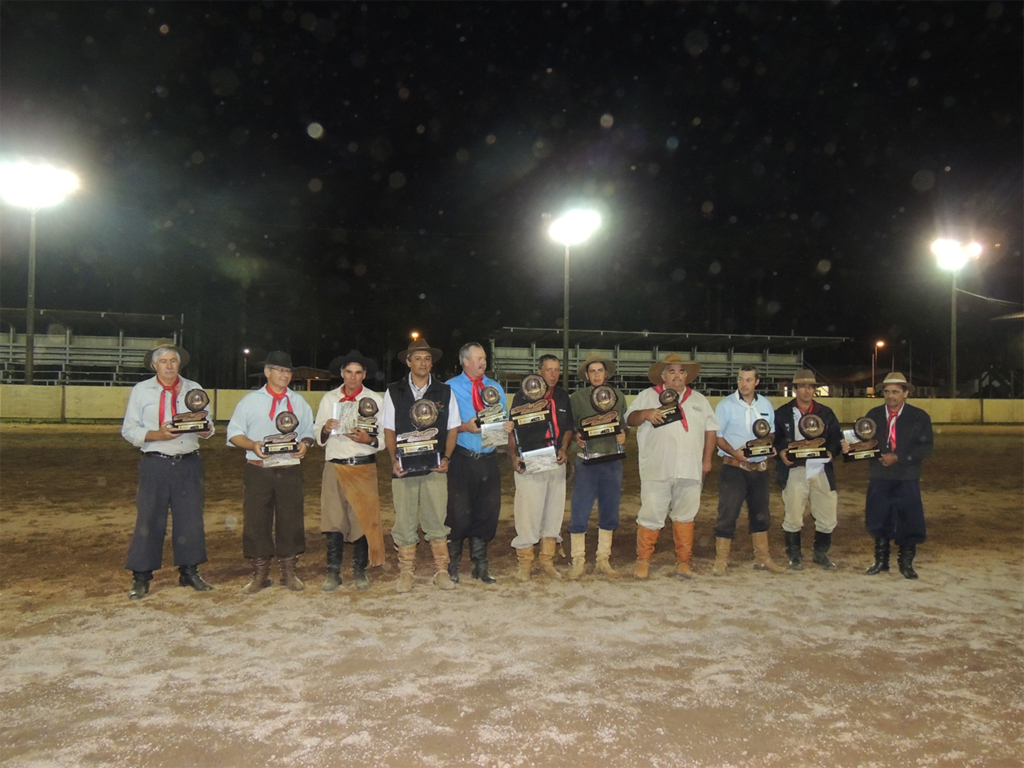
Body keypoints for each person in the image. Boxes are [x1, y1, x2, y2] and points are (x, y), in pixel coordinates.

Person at [121, 340, 215, 600]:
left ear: (179, 364)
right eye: (163, 361)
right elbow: (129, 430)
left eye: (173, 361)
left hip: (189, 461)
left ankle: (189, 571)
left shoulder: (194, 389)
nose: (169, 365)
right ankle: (141, 576)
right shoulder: (141, 391)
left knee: (191, 519)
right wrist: (157, 435)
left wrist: (206, 429)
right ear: (154, 365)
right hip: (155, 462)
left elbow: (208, 425)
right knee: (149, 519)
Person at [226, 351, 315, 593]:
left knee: (291, 520)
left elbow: (309, 431)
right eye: (279, 370)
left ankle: (288, 572)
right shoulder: (250, 401)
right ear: (267, 372)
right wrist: (252, 445)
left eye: (288, 371)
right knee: (256, 521)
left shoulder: (298, 402)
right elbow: (233, 434)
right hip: (258, 469)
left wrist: (306, 444)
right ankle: (260, 574)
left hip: (289, 469)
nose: (285, 375)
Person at [625, 354, 718, 579]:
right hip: (657, 468)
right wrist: (646, 414)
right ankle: (643, 560)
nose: (677, 375)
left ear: (687, 375)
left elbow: (710, 431)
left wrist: (707, 460)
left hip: (690, 468)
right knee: (650, 514)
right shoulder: (648, 396)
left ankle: (684, 561)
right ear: (663, 375)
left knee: (686, 515)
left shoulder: (699, 400)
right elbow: (629, 419)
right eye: (672, 371)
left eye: (681, 371)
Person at [381, 337, 461, 593]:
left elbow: (452, 429)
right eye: (417, 358)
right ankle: (406, 572)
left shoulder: (445, 392)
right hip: (404, 467)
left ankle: (441, 570)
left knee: (437, 518)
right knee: (404, 520)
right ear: (408, 362)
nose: (423, 363)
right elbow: (390, 430)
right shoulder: (394, 391)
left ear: (432, 363)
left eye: (427, 358)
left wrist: (446, 458)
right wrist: (393, 460)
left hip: (435, 466)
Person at [842, 372, 933, 579]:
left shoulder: (919, 417)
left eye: (895, 391)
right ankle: (881, 561)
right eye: (887, 391)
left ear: (905, 393)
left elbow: (925, 447)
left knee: (909, 518)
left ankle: (906, 563)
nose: (891, 396)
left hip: (906, 476)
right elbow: (863, 441)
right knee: (879, 517)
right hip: (879, 475)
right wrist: (850, 448)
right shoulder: (873, 415)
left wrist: (899, 457)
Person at [313, 350, 386, 592]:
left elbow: (385, 437)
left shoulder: (376, 400)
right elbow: (317, 432)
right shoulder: (329, 399)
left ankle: (359, 571)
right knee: (333, 520)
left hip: (363, 465)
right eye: (348, 372)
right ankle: (333, 572)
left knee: (363, 521)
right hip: (335, 465)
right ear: (342, 374)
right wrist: (326, 428)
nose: (353, 378)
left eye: (358, 373)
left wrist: (369, 440)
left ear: (364, 375)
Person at [445, 342, 511, 584]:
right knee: (457, 513)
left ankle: (480, 565)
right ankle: (451, 564)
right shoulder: (449, 388)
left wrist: (507, 427)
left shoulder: (494, 387)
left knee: (487, 512)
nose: (483, 362)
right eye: (478, 358)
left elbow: (502, 416)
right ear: (465, 361)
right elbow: (442, 425)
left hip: (488, 458)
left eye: (484, 358)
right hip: (461, 458)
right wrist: (464, 427)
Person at [508, 354, 574, 581]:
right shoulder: (523, 396)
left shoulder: (564, 397)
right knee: (528, 511)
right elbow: (512, 429)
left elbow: (568, 428)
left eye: (557, 370)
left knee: (553, 511)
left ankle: (547, 560)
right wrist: (514, 455)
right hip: (531, 460)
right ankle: (525, 563)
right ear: (540, 372)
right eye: (549, 370)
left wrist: (564, 448)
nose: (554, 374)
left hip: (555, 460)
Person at [712, 365, 783, 575]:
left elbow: (771, 433)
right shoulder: (725, 405)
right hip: (734, 468)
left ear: (757, 382)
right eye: (741, 379)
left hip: (760, 469)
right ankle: (721, 560)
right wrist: (735, 453)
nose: (744, 384)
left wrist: (769, 445)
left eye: (749, 380)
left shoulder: (766, 405)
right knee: (728, 513)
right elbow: (718, 437)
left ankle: (762, 558)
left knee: (761, 514)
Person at [773, 369, 843, 571]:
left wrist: (831, 452)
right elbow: (774, 439)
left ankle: (821, 554)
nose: (807, 390)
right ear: (794, 389)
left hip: (820, 469)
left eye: (811, 386)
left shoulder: (826, 413)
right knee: (793, 514)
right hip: (795, 469)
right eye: (802, 386)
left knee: (827, 513)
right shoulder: (783, 413)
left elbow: (836, 437)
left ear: (815, 389)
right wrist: (781, 452)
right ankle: (794, 556)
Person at [567, 351, 628, 578]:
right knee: (580, 509)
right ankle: (578, 559)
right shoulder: (577, 398)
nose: (596, 374)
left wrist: (623, 436)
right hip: (586, 461)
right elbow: (571, 428)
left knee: (610, 509)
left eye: (600, 370)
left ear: (606, 373)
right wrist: (576, 439)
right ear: (586, 374)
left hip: (612, 460)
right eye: (592, 371)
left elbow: (622, 425)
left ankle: (603, 558)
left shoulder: (618, 396)